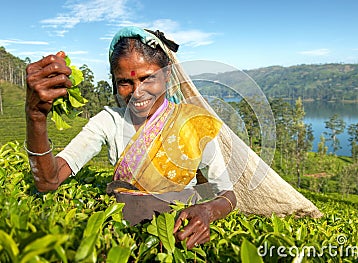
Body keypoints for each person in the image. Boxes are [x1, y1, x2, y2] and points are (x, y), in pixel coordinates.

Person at [25, 26, 236, 249]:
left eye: (148, 79)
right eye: (125, 82)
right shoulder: (109, 122)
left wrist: (207, 211)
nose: (137, 92)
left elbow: (227, 195)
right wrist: (36, 116)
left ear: (166, 75)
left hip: (180, 242)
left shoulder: (193, 123)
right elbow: (49, 181)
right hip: (123, 242)